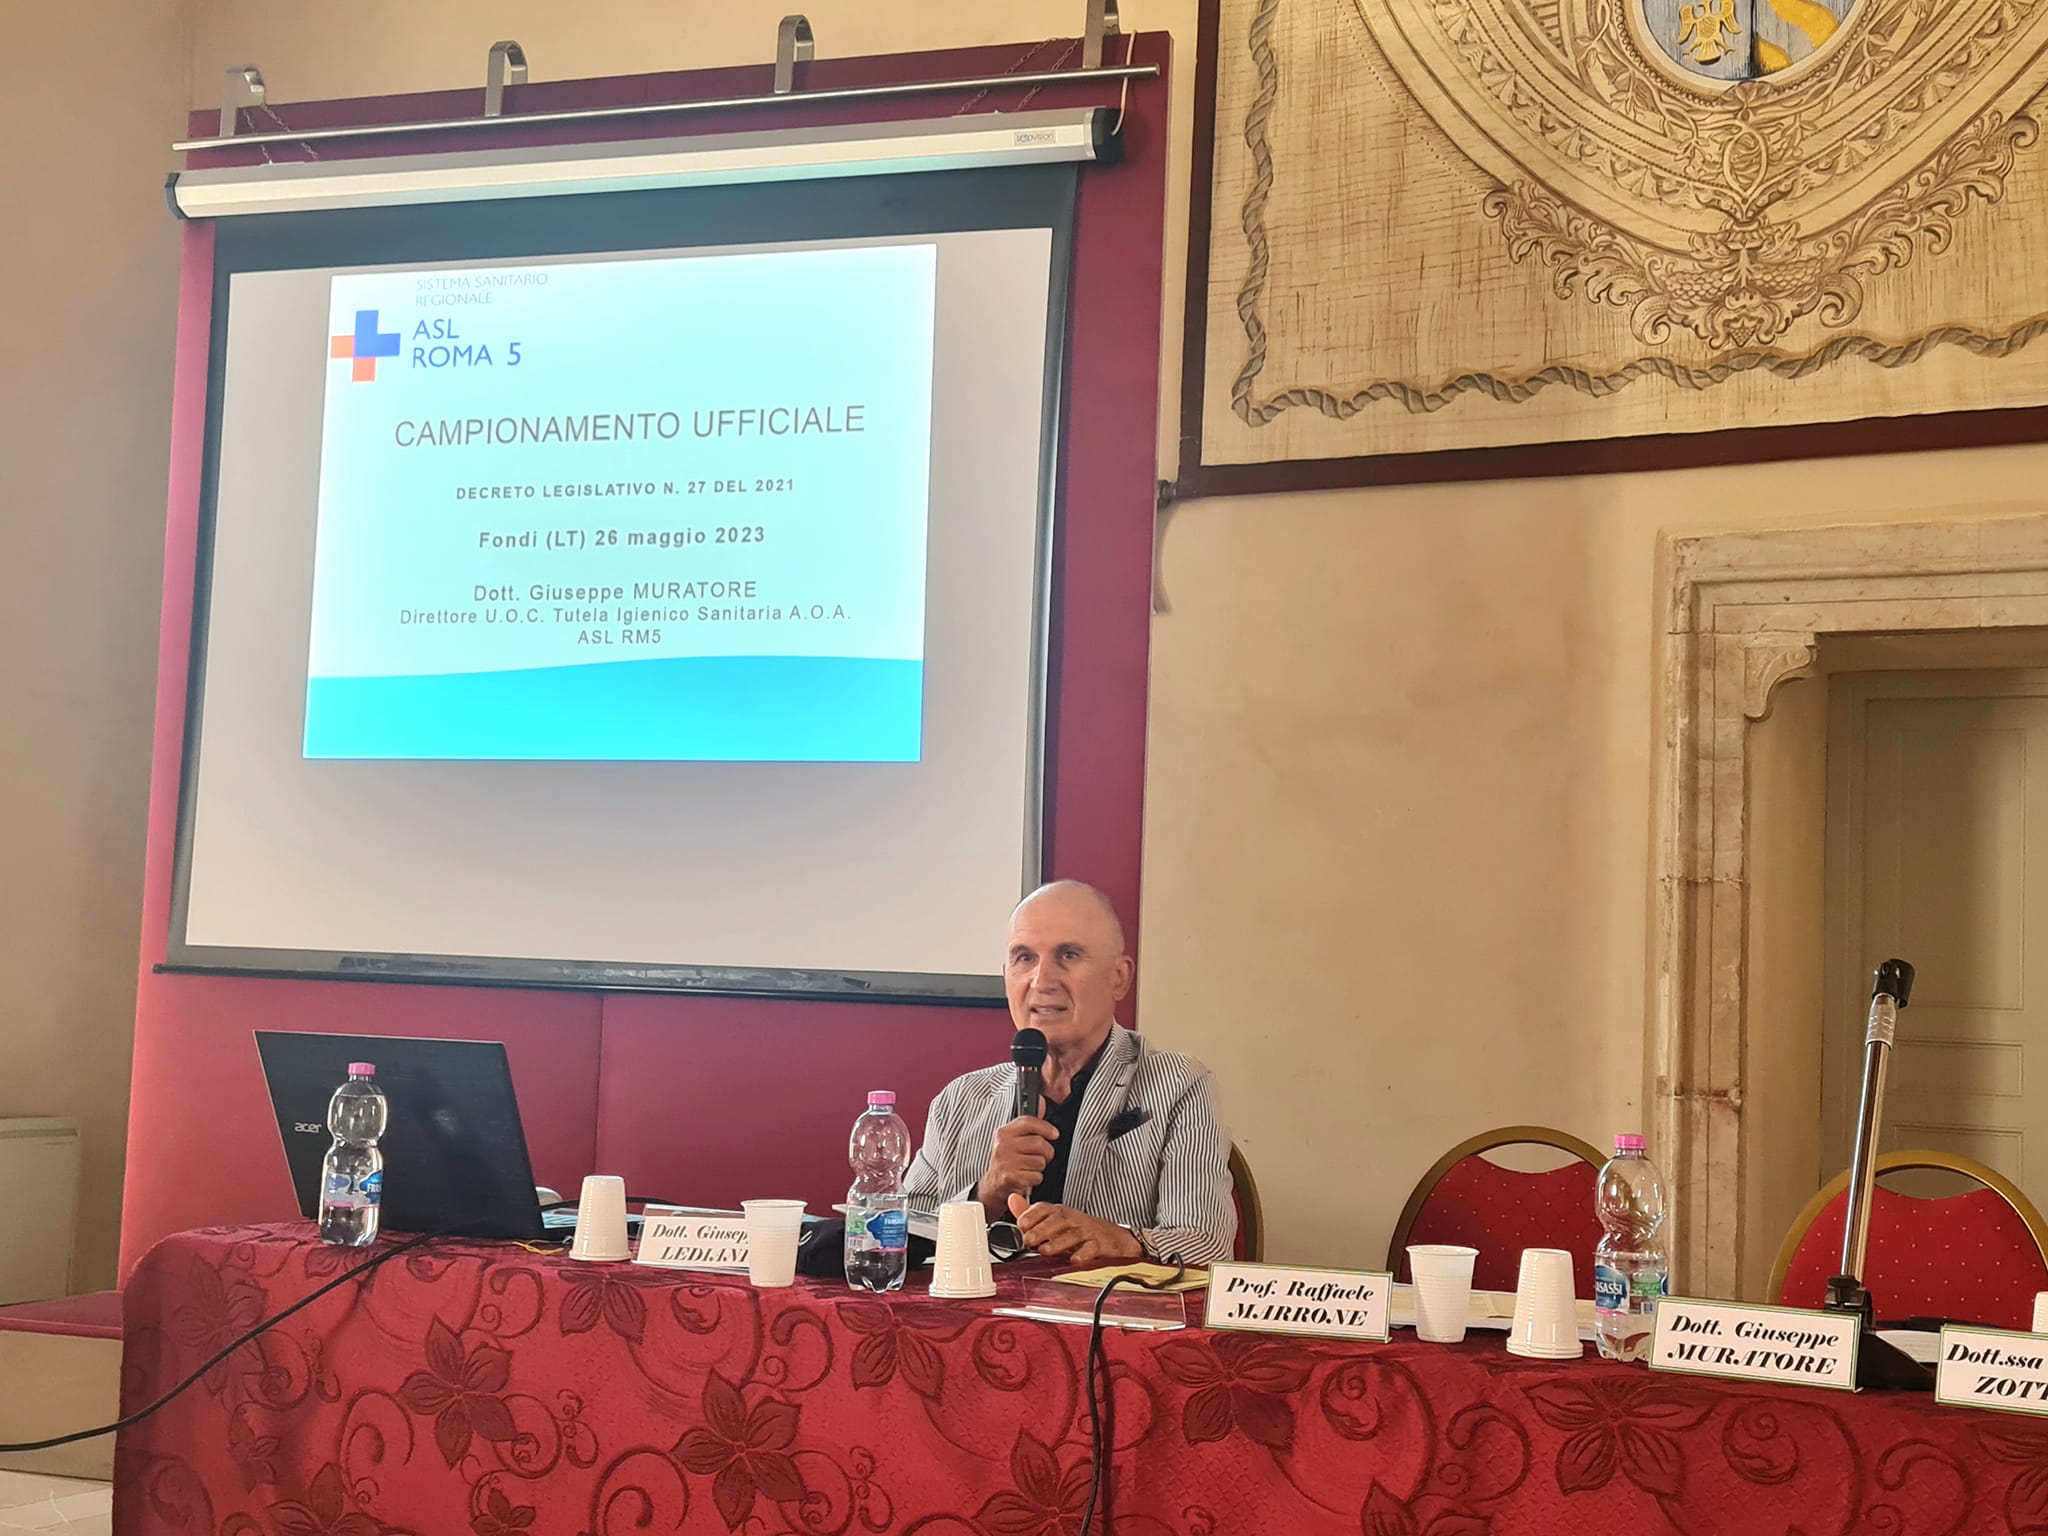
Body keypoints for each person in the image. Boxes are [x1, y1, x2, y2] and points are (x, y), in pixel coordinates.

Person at [902, 881, 1236, 1266]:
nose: (1042, 981)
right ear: (1006, 975)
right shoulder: (961, 1099)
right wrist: (986, 1196)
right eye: (1024, 957)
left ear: (1119, 977)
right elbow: (899, 1239)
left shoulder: (1178, 1084)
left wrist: (1122, 1240)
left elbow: (1208, 1244)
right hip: (981, 1305)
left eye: (1069, 955)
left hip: (1108, 1304)